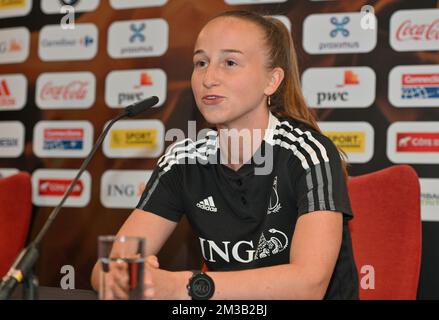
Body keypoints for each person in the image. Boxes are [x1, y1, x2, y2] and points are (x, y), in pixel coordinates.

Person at [91, 10, 359, 300]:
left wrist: (184, 286)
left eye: (230, 62)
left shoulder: (309, 153)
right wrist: (123, 277)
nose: (209, 78)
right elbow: (104, 270)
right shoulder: (181, 160)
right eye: (201, 62)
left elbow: (309, 286)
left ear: (272, 80)